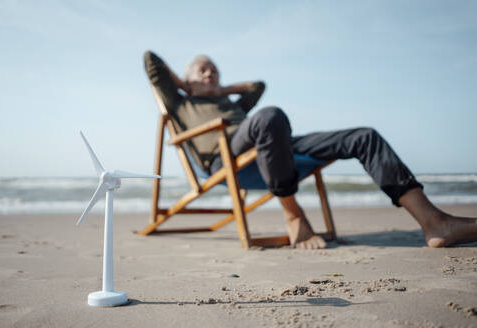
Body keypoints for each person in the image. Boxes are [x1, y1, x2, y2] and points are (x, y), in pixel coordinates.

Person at [144, 51, 477, 249]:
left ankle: (434, 222)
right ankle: (294, 215)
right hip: (224, 157)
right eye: (203, 69)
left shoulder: (231, 101)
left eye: (214, 68)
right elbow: (151, 61)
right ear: (186, 81)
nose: (211, 72)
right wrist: (188, 86)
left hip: (270, 144)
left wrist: (221, 88)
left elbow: (259, 86)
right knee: (269, 117)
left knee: (364, 136)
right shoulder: (182, 103)